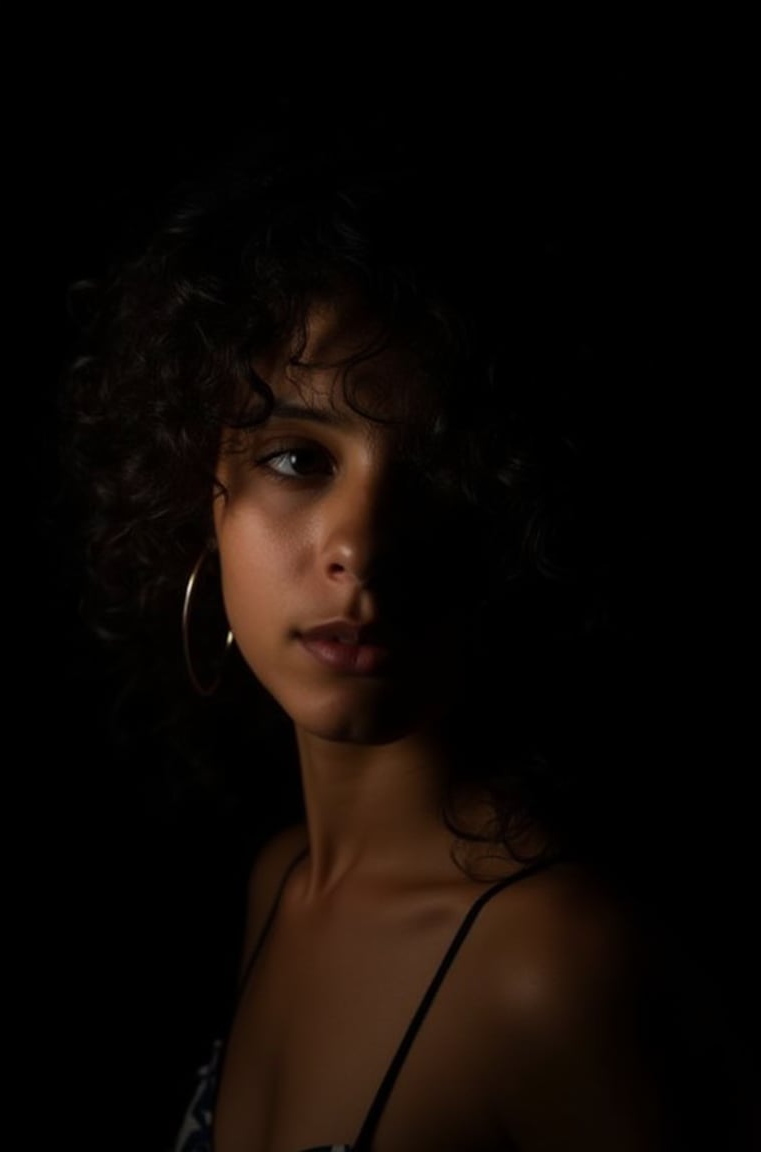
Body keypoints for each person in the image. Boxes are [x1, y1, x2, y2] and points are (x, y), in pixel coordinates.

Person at [58, 126, 722, 1151]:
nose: (361, 548)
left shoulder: (556, 968)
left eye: (439, 473)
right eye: (295, 459)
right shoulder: (279, 883)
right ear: (203, 491)